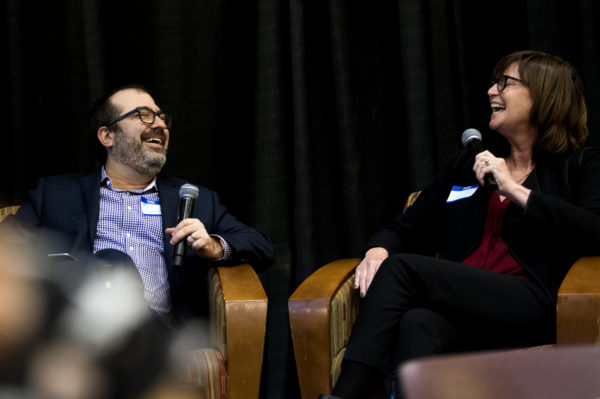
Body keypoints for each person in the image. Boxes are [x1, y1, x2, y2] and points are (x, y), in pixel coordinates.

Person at [320, 50, 600, 399]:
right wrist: (378, 249)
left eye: (505, 84)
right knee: (416, 323)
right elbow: (406, 227)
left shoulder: (580, 165)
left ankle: (344, 396)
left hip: (536, 304)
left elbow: (594, 230)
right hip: (468, 308)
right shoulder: (469, 165)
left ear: (545, 94)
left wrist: (512, 189)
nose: (491, 92)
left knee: (403, 269)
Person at [1, 84, 275, 328]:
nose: (159, 124)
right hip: (77, 337)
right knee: (111, 262)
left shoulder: (195, 200)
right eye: (143, 115)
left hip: (162, 341)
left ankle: (140, 343)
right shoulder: (56, 194)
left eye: (161, 117)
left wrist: (213, 246)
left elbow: (261, 246)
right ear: (107, 136)